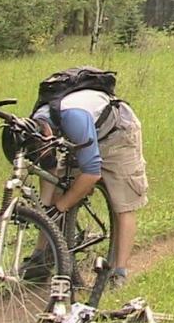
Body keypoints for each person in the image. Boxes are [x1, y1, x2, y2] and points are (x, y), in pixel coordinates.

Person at [31, 88, 148, 289]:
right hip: (83, 137)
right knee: (62, 188)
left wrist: (60, 206)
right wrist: (45, 209)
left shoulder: (73, 119)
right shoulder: (34, 126)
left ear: (48, 134)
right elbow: (48, 166)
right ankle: (41, 257)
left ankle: (119, 272)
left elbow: (92, 173)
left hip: (118, 134)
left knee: (124, 203)